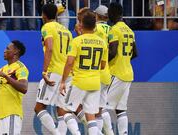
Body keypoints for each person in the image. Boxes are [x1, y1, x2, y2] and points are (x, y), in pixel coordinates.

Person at [59, 10, 108, 135]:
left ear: (81, 24)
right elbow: (102, 65)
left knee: (63, 110)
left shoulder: (77, 41)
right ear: (95, 25)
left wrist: (63, 81)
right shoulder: (102, 42)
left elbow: (69, 62)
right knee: (91, 116)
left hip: (79, 82)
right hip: (95, 83)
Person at [34, 3, 72, 135]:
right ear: (56, 15)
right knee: (61, 110)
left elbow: (49, 48)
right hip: (67, 73)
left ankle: (56, 133)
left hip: (53, 71)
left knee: (39, 108)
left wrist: (44, 71)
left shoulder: (47, 27)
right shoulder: (66, 30)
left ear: (43, 15)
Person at [107, 2, 138, 135]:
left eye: (109, 12)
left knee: (102, 107)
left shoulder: (114, 30)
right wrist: (124, 60)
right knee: (121, 110)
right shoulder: (129, 30)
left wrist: (101, 62)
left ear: (112, 13)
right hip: (128, 73)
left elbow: (113, 52)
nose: (108, 14)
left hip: (116, 73)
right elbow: (135, 53)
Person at [94, 5, 115, 135]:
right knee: (100, 109)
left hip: (96, 71)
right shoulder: (112, 29)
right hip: (107, 70)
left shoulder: (96, 28)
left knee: (92, 109)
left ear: (97, 16)